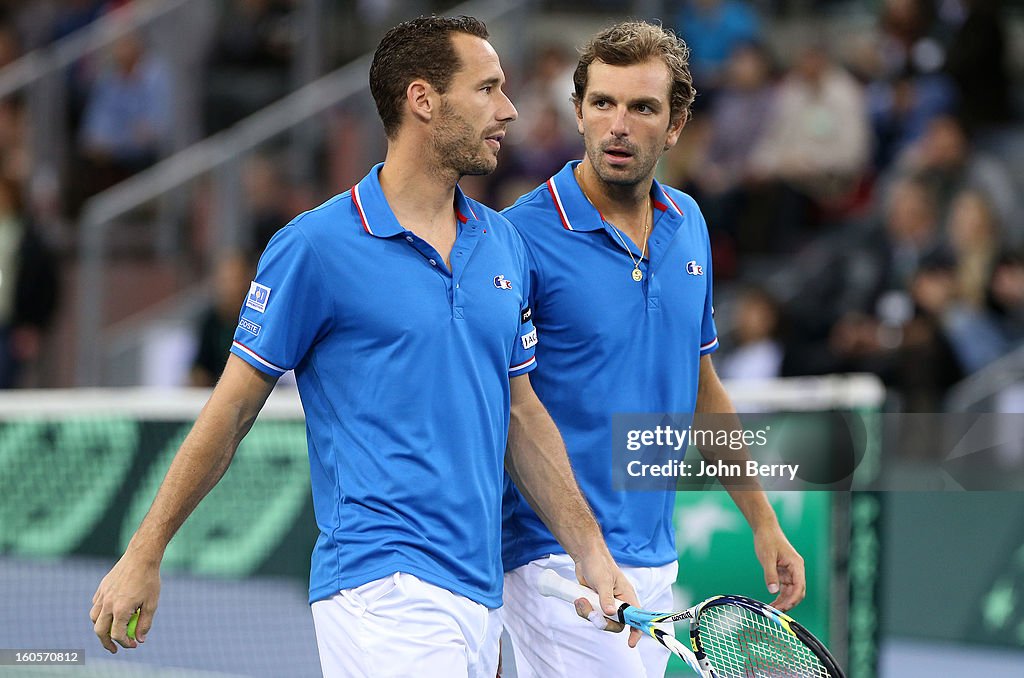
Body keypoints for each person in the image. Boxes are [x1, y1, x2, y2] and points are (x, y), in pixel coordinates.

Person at [90, 16, 639, 678]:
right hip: (382, 586)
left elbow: (521, 415)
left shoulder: (503, 245)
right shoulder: (314, 247)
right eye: (488, 88)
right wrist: (144, 551)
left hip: (480, 592)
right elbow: (231, 410)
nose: (509, 109)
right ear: (424, 100)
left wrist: (591, 554)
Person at [499, 21, 805, 678]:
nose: (618, 124)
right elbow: (499, 407)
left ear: (675, 124)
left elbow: (702, 386)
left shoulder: (687, 224)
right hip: (556, 560)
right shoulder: (517, 238)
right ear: (577, 111)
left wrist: (762, 520)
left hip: (654, 559)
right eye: (602, 103)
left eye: (642, 107)